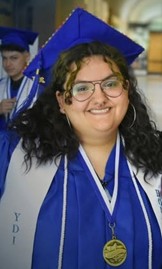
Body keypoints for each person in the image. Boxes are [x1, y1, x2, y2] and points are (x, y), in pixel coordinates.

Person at [0, 7, 162, 269]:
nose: (99, 98)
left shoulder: (157, 155)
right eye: (82, 87)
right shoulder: (13, 157)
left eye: (110, 83)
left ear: (126, 90)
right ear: (62, 101)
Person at [0, 27, 39, 130]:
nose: (7, 64)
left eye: (14, 58)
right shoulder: (1, 85)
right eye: (4, 58)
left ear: (27, 57)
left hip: (28, 144)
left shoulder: (38, 86)